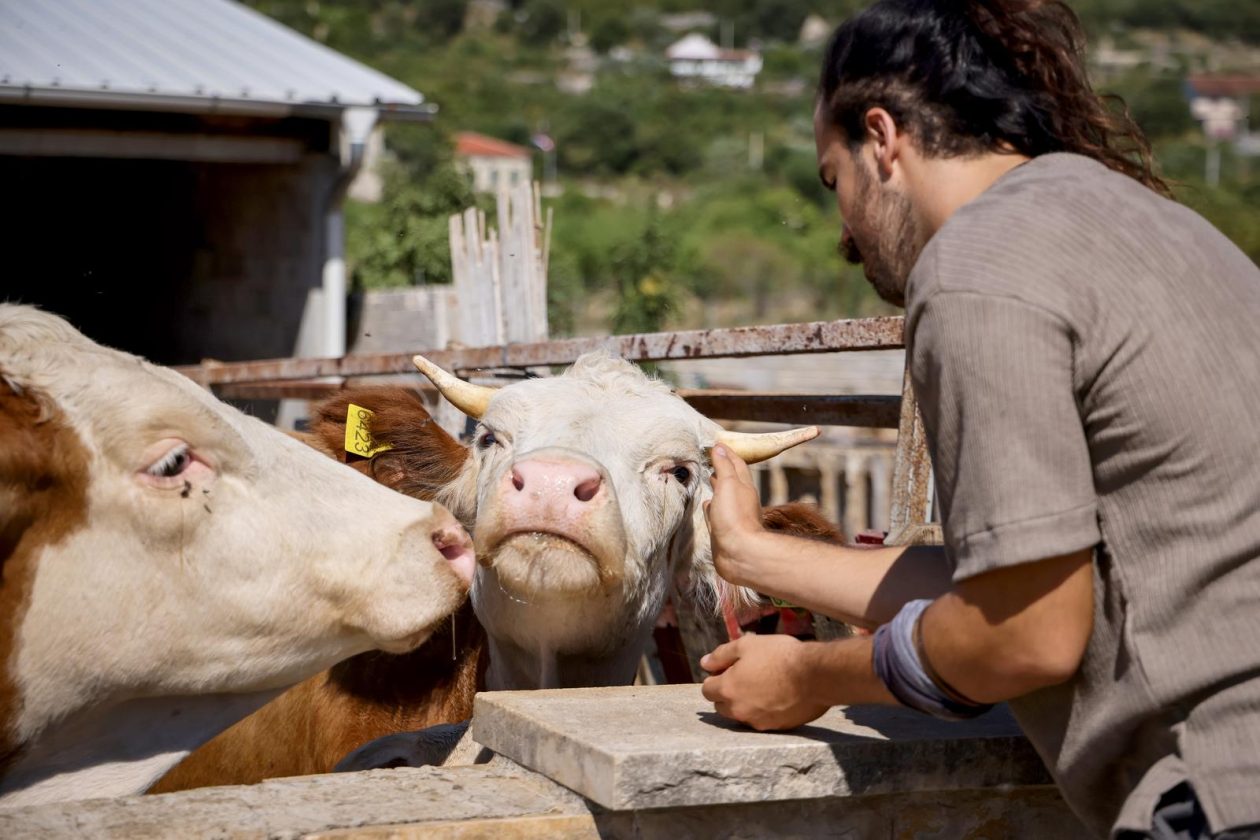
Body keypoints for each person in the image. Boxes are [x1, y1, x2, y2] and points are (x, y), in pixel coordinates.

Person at [698, 2, 1260, 838]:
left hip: (1222, 788)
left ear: (882, 139)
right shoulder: (1159, 227)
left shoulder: (975, 269)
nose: (844, 234)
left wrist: (811, 676)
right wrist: (756, 554)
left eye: (834, 180)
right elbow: (1022, 579)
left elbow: (1024, 635)